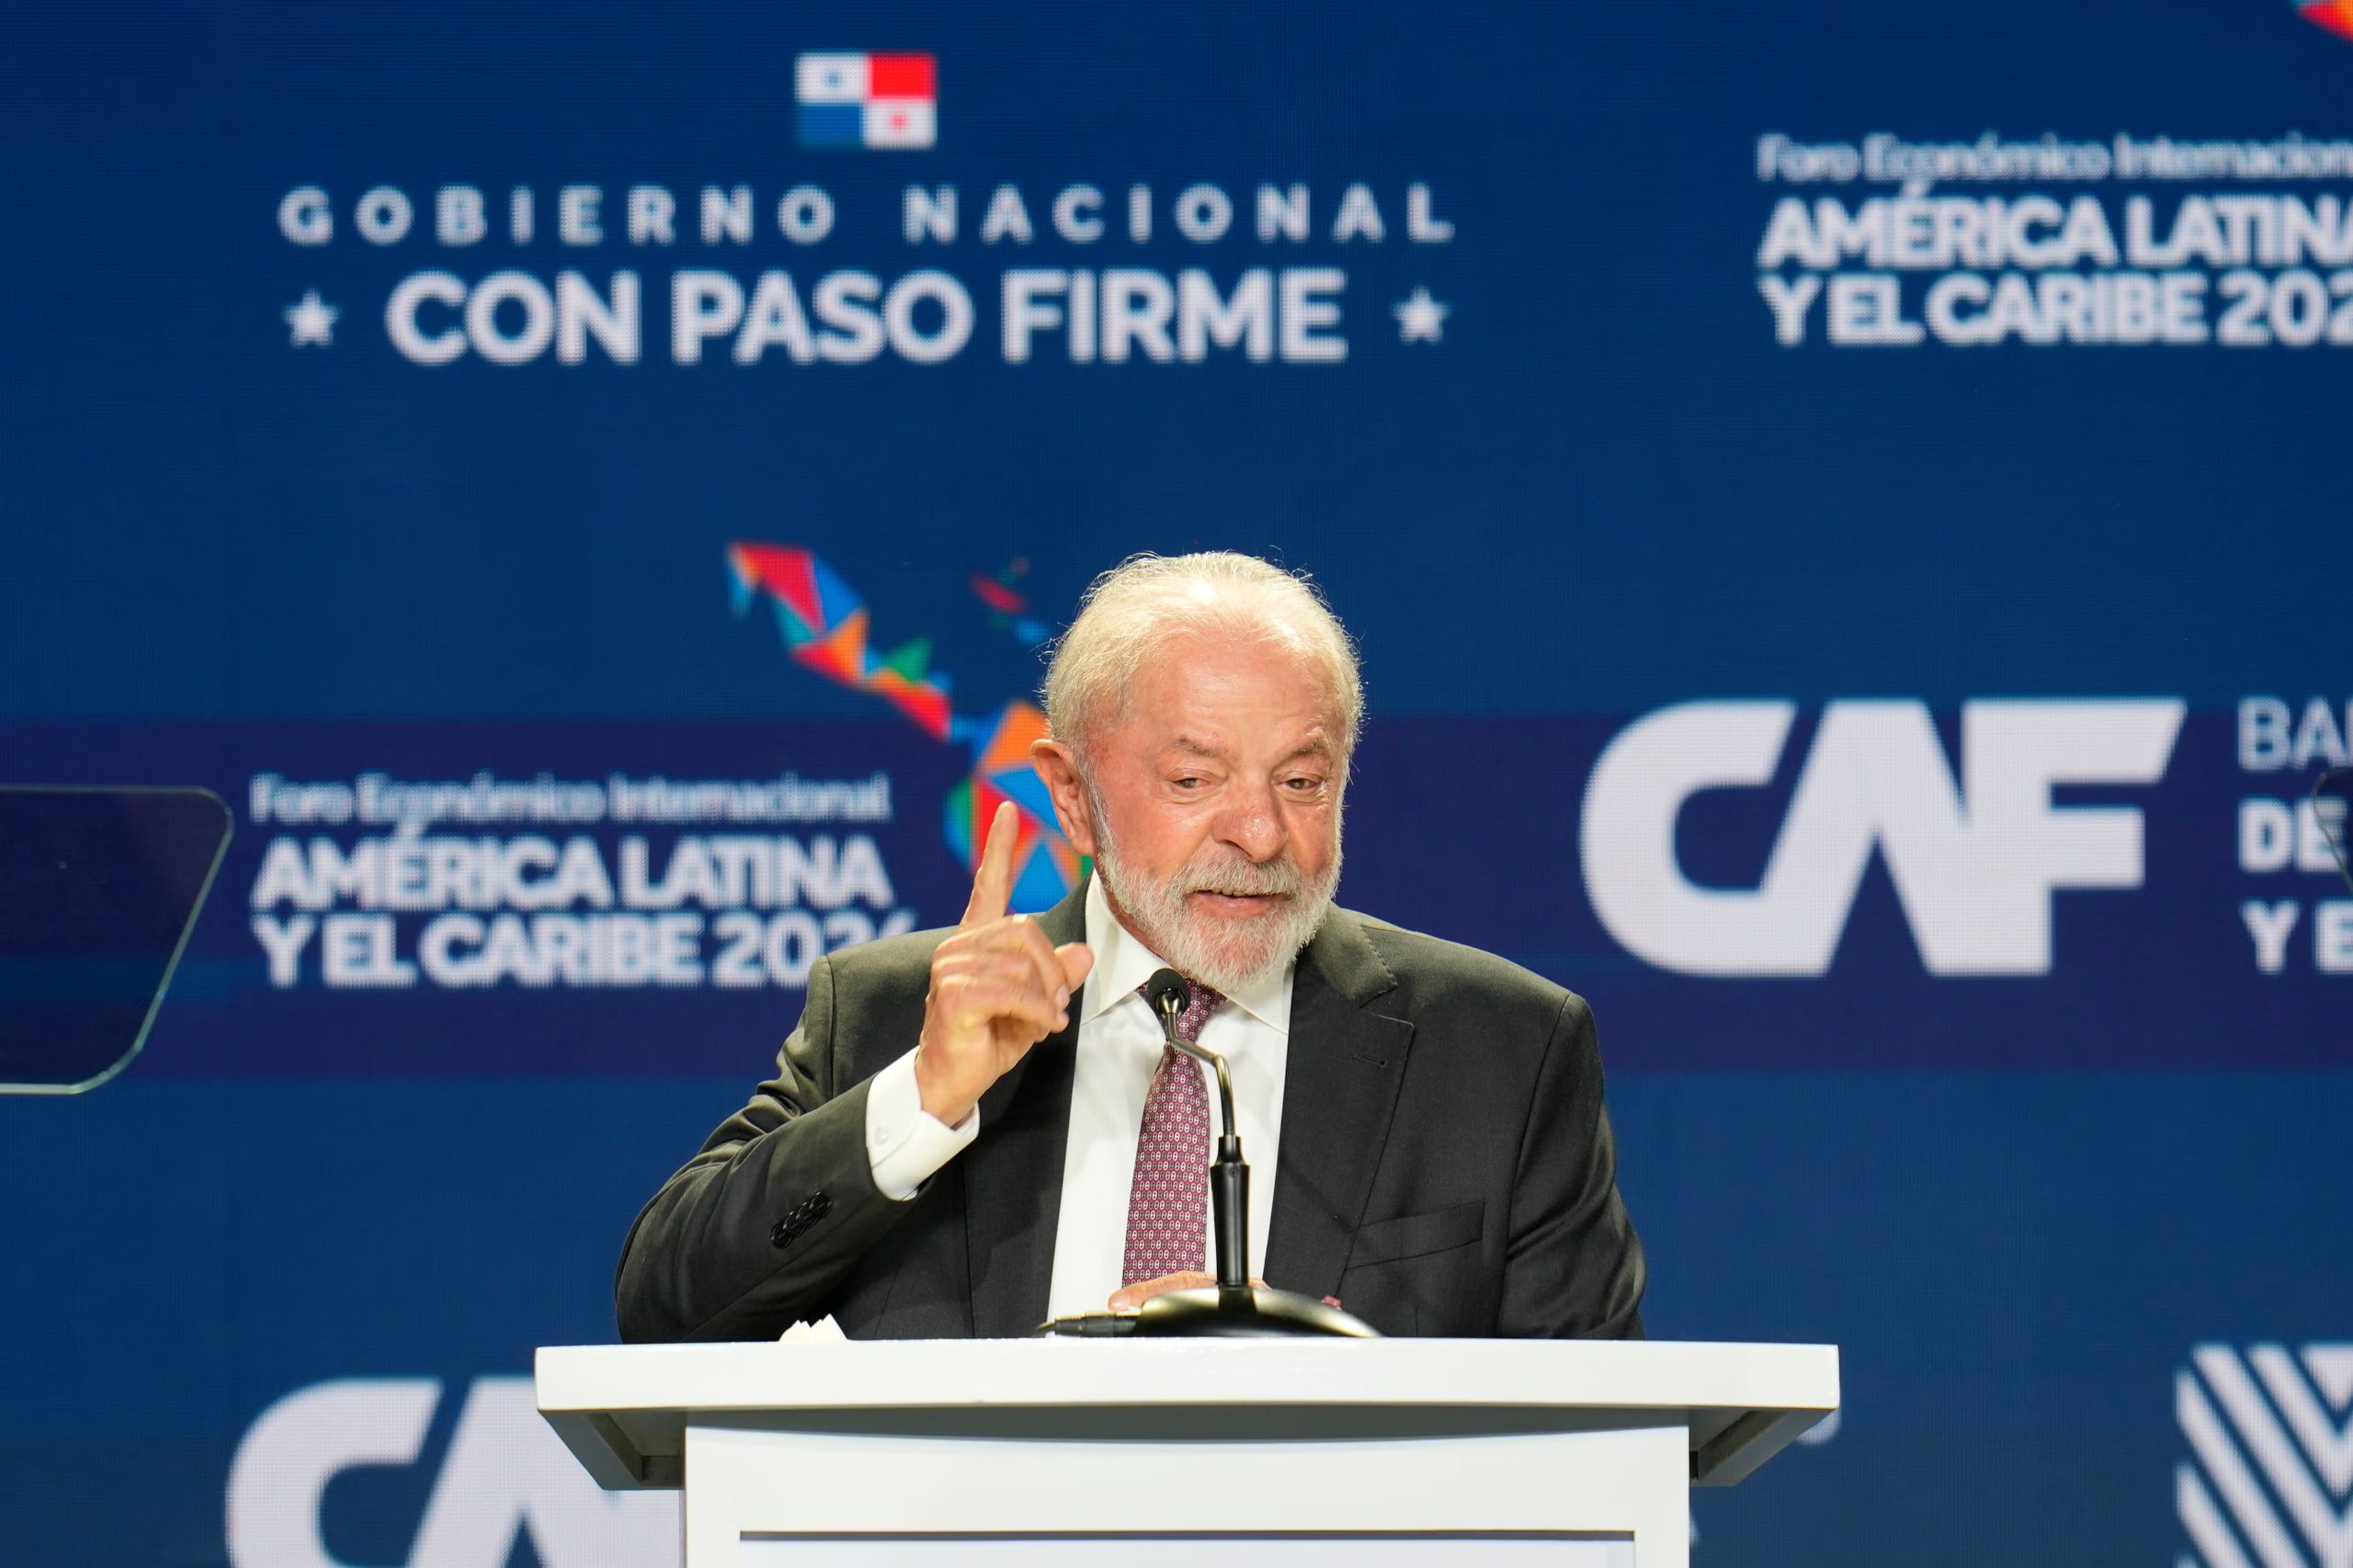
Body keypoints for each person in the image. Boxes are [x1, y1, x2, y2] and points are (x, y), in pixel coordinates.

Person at [616, 552, 1645, 1340]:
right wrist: (925, 1096)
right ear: (1072, 796)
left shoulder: (1499, 1051)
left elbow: (1601, 1444)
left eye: (1302, 781)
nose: (1261, 833)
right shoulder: (889, 1016)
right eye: (1194, 780)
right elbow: (665, 1310)